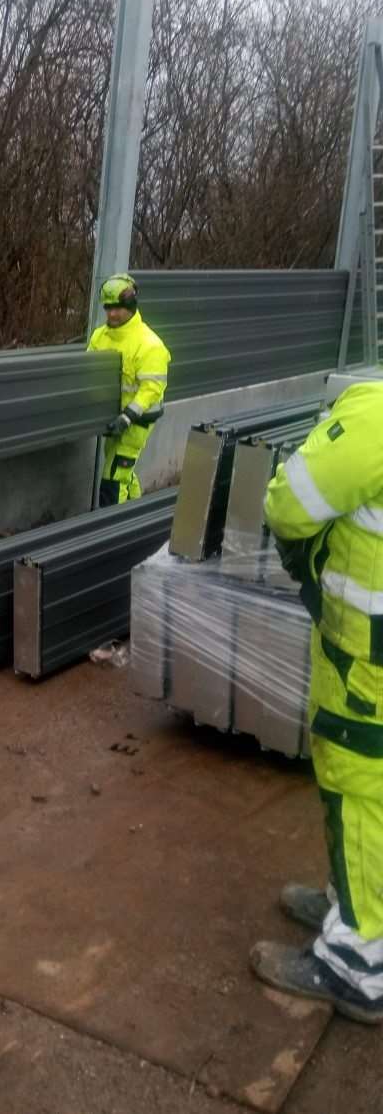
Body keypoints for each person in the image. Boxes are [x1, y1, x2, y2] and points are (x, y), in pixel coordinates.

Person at [254, 380, 383, 1023]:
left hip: (366, 668)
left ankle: (356, 964)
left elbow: (289, 504)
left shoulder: (374, 416)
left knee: (357, 793)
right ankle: (351, 901)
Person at [87, 274, 170, 507]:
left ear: (131, 306)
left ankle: (113, 531)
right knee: (123, 468)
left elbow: (151, 389)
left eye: (118, 308)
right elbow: (89, 373)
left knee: (113, 478)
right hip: (114, 416)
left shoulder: (149, 344)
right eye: (108, 308)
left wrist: (127, 416)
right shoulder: (99, 336)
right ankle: (137, 514)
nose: (112, 314)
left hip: (138, 418)